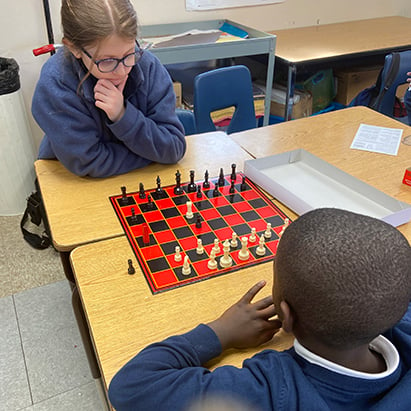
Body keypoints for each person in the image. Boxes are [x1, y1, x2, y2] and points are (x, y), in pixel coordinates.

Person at [108, 208, 411, 411]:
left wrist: (220, 332)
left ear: (286, 317)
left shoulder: (270, 392)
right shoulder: (399, 317)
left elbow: (130, 387)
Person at [32, 0, 186, 178]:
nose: (122, 71)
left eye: (129, 54)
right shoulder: (55, 82)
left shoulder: (147, 65)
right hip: (73, 183)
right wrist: (152, 153)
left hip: (139, 178)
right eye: (107, 61)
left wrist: (122, 115)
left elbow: (174, 147)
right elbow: (88, 162)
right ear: (74, 48)